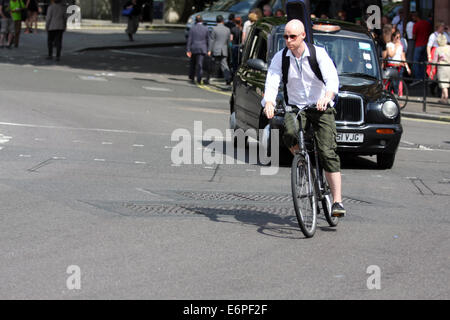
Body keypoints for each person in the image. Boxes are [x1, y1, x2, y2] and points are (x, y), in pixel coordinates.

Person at [262, 19, 346, 217]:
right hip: (296, 107)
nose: (288, 41)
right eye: (285, 37)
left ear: (303, 36)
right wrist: (269, 102)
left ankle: (337, 201)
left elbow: (332, 79)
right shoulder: (281, 57)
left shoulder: (318, 54)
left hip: (320, 106)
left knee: (327, 152)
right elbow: (273, 80)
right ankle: (303, 163)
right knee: (289, 133)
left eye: (292, 36)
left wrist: (327, 96)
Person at [208, 15, 232, 85]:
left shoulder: (214, 29)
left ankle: (208, 77)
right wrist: (229, 50)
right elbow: (228, 41)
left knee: (212, 64)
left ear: (216, 21)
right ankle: (228, 79)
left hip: (216, 49)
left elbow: (212, 40)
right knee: (224, 65)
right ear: (223, 21)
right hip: (224, 50)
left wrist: (209, 50)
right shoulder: (227, 29)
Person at [186, 15, 209, 85]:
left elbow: (189, 40)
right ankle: (199, 78)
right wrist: (209, 49)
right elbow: (208, 40)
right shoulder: (206, 29)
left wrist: (188, 50)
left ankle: (192, 77)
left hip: (194, 48)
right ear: (202, 20)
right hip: (202, 48)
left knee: (192, 64)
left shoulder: (192, 28)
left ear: (196, 21)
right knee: (199, 64)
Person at [412, 12, 432, 81]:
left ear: (416, 17)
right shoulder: (427, 24)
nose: (412, 18)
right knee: (423, 62)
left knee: (416, 62)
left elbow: (414, 37)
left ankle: (418, 78)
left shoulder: (416, 25)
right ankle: (423, 76)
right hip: (426, 44)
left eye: (413, 17)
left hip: (418, 45)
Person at [432, 34, 450, 104]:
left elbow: (435, 60)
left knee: (443, 84)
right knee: (446, 83)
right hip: (449, 67)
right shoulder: (449, 47)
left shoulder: (438, 49)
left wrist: (432, 69)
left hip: (442, 68)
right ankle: (442, 98)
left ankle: (446, 98)